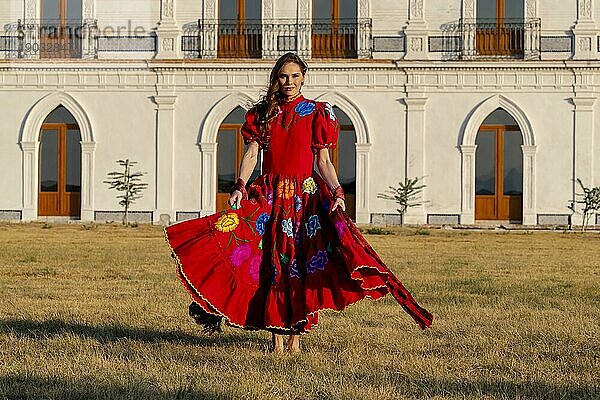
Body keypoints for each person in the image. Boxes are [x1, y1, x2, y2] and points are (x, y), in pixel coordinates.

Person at [165, 52, 432, 353]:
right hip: (270, 195)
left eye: (294, 76)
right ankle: (277, 339)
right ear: (276, 79)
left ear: (303, 77)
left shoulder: (318, 113)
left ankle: (294, 340)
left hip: (304, 199)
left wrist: (338, 193)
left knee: (299, 264)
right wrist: (240, 185)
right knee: (269, 262)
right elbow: (252, 154)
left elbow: (324, 161)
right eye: (283, 76)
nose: (289, 82)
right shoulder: (263, 114)